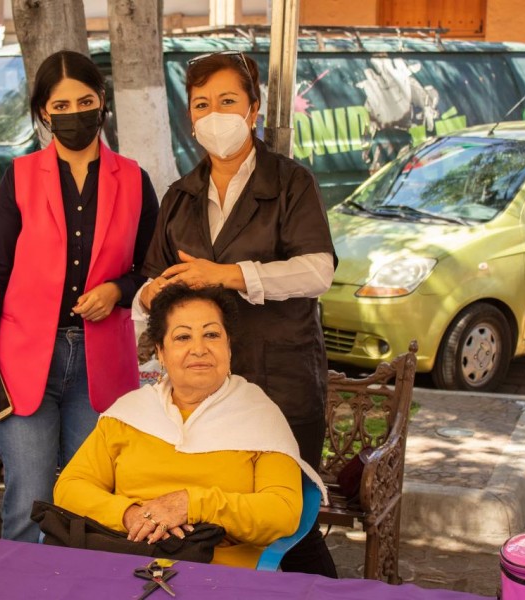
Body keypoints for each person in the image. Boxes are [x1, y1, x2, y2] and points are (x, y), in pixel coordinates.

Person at [136, 50, 338, 576]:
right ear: (191, 120)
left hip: (282, 376)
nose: (215, 113)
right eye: (202, 104)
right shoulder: (179, 196)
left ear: (253, 109)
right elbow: (151, 283)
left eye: (228, 100)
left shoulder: (292, 183)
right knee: (217, 514)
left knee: (288, 517)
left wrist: (227, 274)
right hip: (205, 387)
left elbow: (318, 270)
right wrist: (149, 294)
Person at [0, 50, 159, 543]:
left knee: (88, 504)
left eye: (86, 101)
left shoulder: (135, 180)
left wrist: (119, 289)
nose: (75, 113)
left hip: (100, 365)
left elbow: (155, 269)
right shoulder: (21, 176)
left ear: (102, 104)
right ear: (44, 112)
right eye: (62, 105)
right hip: (24, 360)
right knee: (29, 503)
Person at [54, 284, 326, 568]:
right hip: (124, 560)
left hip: (219, 574)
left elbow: (282, 512)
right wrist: (130, 514)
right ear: (160, 351)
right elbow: (70, 488)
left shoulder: (259, 415)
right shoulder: (129, 413)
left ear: (228, 346)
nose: (199, 349)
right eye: (182, 337)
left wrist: (191, 505)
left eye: (211, 334)